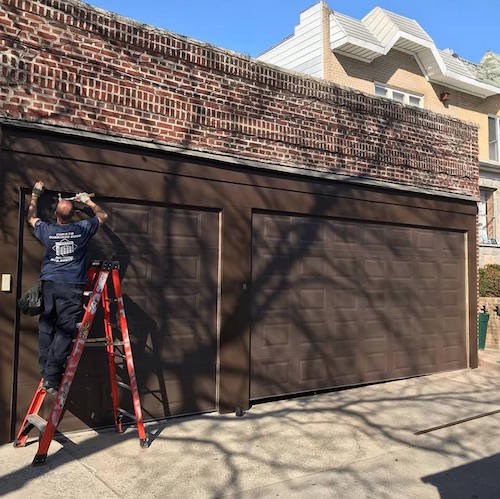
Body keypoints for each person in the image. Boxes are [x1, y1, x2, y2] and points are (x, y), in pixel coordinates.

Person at [27, 180, 109, 394]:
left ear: (56, 215)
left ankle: (46, 371)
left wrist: (35, 195)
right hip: (71, 286)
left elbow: (31, 218)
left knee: (47, 327)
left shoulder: (48, 230)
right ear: (73, 216)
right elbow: (103, 217)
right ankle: (52, 377)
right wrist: (88, 201)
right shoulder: (82, 229)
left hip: (50, 285)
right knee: (64, 330)